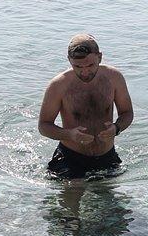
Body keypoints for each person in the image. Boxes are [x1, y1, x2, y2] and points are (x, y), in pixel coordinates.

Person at [37, 34, 134, 179]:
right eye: (77, 66)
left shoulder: (114, 78)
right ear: (69, 60)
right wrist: (69, 135)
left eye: (90, 65)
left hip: (107, 156)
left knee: (110, 201)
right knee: (71, 198)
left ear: (99, 57)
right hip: (70, 158)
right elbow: (44, 126)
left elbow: (127, 113)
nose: (85, 71)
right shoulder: (58, 85)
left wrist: (117, 128)